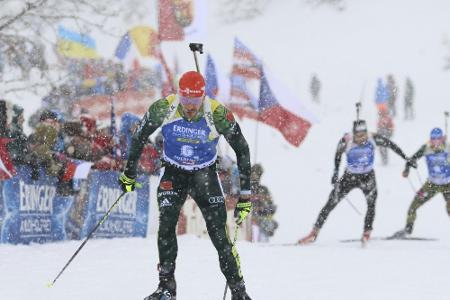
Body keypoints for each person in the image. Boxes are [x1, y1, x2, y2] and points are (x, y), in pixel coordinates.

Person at [118, 71, 253, 300]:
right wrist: (129, 173)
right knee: (166, 225)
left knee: (219, 236)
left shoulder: (218, 113)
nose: (190, 107)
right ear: (179, 94)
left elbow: (242, 149)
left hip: (205, 175)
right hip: (174, 172)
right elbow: (140, 136)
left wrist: (245, 196)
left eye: (195, 102)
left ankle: (239, 292)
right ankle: (166, 287)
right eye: (186, 101)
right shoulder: (164, 107)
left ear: (202, 97)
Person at [298, 119, 412, 245]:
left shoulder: (373, 138)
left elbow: (391, 145)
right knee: (330, 203)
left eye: (363, 135)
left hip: (368, 177)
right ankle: (314, 233)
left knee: (371, 205)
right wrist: (335, 173)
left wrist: (406, 158)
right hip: (349, 177)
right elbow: (337, 155)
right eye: (358, 136)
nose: (361, 138)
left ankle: (366, 232)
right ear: (353, 134)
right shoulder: (346, 140)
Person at [392, 128, 450, 238]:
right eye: (433, 139)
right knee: (414, 206)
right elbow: (411, 159)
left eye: (438, 139)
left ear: (442, 139)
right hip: (431, 185)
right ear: (430, 139)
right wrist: (407, 169)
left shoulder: (448, 147)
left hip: (448, 185)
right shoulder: (426, 148)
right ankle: (408, 229)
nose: (436, 142)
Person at [250, 164, 278, 242]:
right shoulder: (245, 189)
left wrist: (262, 207)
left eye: (258, 174)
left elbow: (271, 207)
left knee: (265, 226)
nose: (255, 177)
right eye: (253, 173)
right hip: (247, 219)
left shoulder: (263, 190)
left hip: (261, 219)